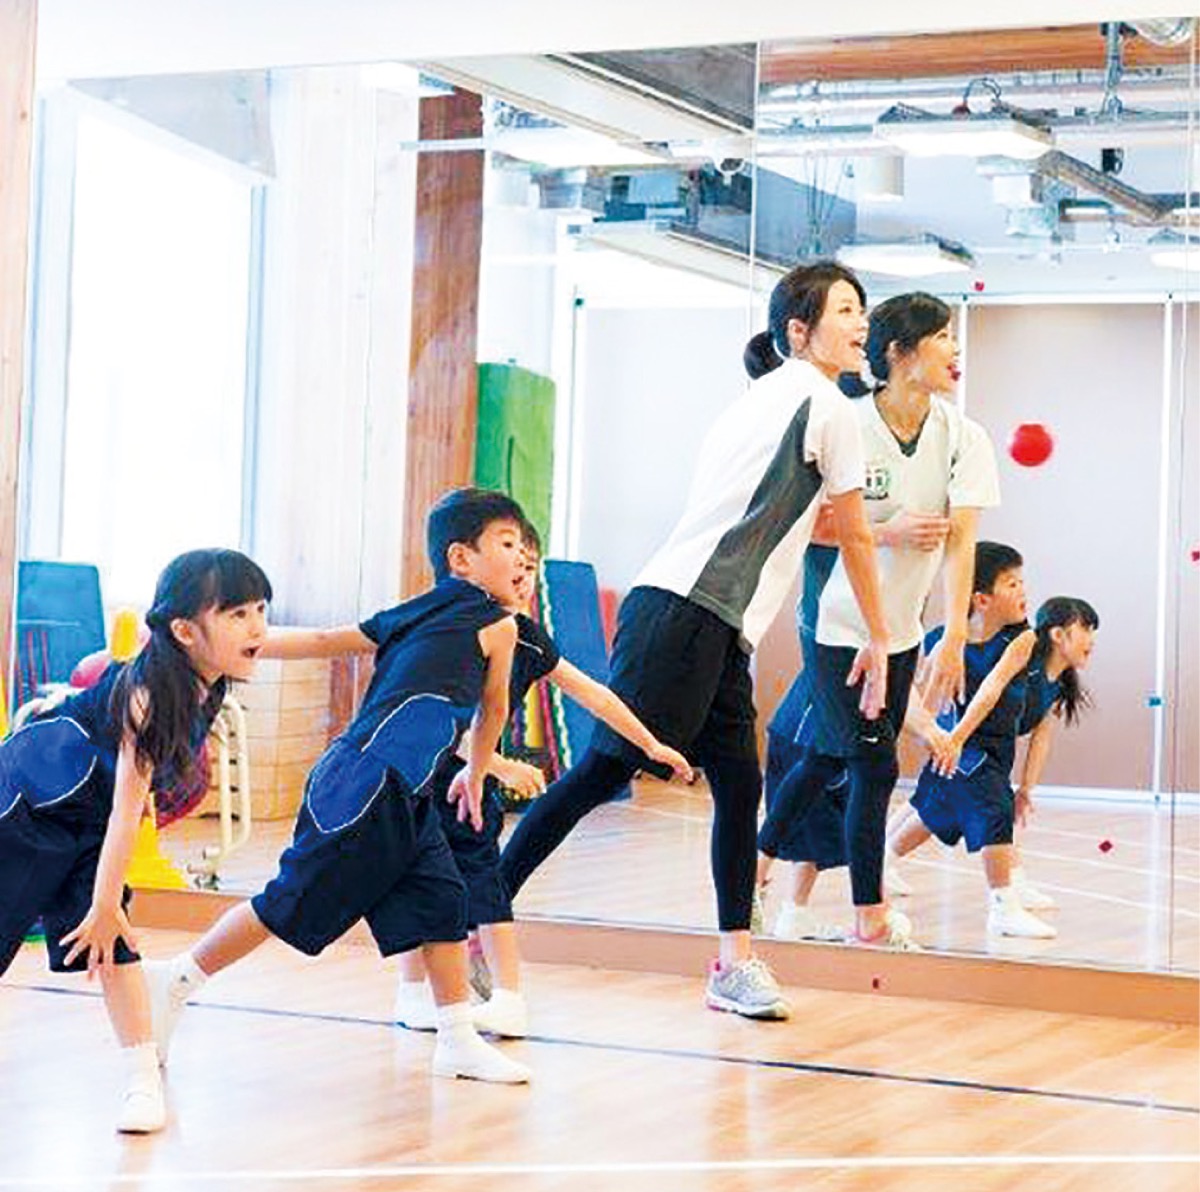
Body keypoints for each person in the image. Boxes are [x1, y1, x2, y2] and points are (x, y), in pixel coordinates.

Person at [499, 260, 892, 1021]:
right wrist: (879, 636)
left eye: (862, 309)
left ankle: (733, 964)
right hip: (687, 614)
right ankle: (476, 925)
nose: (860, 322)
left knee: (740, 791)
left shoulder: (760, 402)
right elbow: (850, 533)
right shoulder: (828, 406)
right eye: (846, 309)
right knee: (597, 777)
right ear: (798, 330)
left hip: (707, 621)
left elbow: (779, 520)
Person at [147, 488, 540, 1086]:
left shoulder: (502, 630)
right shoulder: (426, 612)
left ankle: (458, 1039)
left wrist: (478, 771)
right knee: (290, 901)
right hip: (361, 780)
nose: (522, 559)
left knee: (441, 900)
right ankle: (177, 978)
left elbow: (492, 711)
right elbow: (328, 641)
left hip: (409, 788)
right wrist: (228, 645)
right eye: (508, 545)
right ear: (461, 559)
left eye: (525, 549)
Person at [756, 292, 999, 949]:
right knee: (873, 767)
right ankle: (871, 918)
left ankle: (752, 873)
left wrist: (952, 636)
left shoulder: (963, 437)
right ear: (899, 353)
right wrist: (887, 533)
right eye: (941, 337)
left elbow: (961, 544)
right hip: (834, 625)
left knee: (825, 758)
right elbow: (808, 524)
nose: (955, 350)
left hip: (902, 631)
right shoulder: (845, 422)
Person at [0, 548, 272, 1134]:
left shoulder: (214, 667)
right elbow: (129, 810)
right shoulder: (149, 696)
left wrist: (381, 635)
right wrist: (101, 905)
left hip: (85, 818)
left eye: (262, 610)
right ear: (184, 631)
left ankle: (142, 1080)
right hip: (28, 808)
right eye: (240, 614)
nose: (258, 627)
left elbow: (317, 639)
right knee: (93, 923)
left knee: (114, 946)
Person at [394, 523, 692, 1036]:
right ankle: (415, 994)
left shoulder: (528, 638)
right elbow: (437, 719)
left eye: (531, 565)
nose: (524, 574)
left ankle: (507, 996)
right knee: (419, 886)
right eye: (512, 556)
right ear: (463, 561)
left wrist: (649, 744)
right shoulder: (451, 632)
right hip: (427, 775)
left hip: (472, 787)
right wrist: (498, 764)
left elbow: (594, 694)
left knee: (485, 883)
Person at [888, 576, 1099, 940]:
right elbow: (984, 688)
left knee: (936, 807)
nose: (1091, 639)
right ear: (1058, 635)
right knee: (971, 810)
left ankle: (883, 861)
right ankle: (1004, 901)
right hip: (966, 739)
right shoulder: (1021, 654)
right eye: (1085, 629)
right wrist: (948, 736)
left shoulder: (1056, 681)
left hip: (985, 749)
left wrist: (1027, 788)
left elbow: (1041, 737)